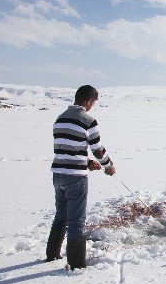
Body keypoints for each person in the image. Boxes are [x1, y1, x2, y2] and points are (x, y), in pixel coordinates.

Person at [45, 85, 115, 269]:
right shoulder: (88, 120)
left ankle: (52, 254)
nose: (92, 106)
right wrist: (109, 166)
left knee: (61, 216)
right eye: (93, 103)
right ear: (88, 101)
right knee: (76, 221)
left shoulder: (60, 119)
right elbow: (98, 149)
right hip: (75, 178)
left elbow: (65, 150)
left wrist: (86, 163)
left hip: (58, 175)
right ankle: (76, 265)